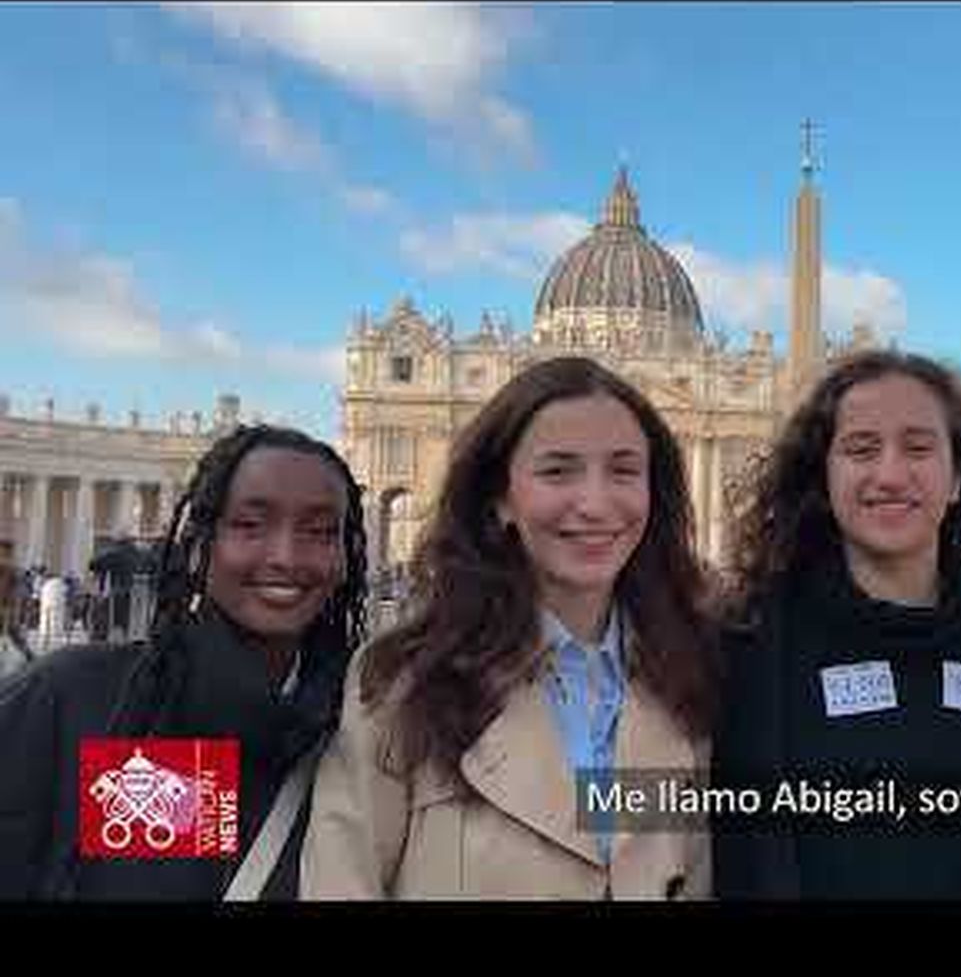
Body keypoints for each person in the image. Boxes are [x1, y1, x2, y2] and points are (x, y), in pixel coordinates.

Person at [301, 357, 717, 899]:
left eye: (623, 470)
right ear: (500, 498)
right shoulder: (401, 679)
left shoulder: (685, 674)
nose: (594, 504)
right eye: (558, 470)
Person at [712, 351, 961, 899]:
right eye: (861, 449)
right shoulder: (753, 636)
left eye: (919, 448)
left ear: (957, 480)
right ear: (823, 477)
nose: (891, 474)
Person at [0, 425, 368, 900]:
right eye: (250, 525)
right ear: (200, 541)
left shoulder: (359, 730)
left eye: (319, 532)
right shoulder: (79, 696)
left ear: (345, 556)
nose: (285, 556)